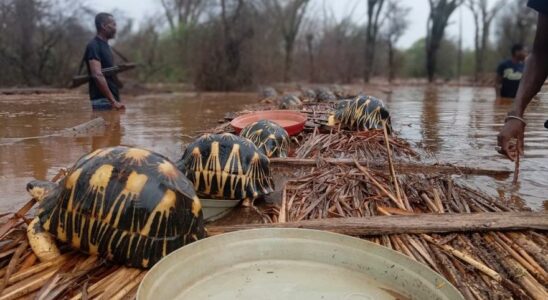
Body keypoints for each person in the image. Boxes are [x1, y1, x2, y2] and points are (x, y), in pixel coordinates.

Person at [497, 0, 548, 161]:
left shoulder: (520, 67)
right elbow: (541, 54)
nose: (524, 52)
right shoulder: (504, 64)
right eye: (522, 50)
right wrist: (516, 114)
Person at [84, 13, 125, 110]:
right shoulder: (94, 45)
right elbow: (97, 74)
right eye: (113, 24)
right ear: (103, 26)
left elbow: (107, 72)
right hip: (103, 102)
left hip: (110, 101)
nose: (115, 28)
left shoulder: (106, 46)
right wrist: (113, 101)